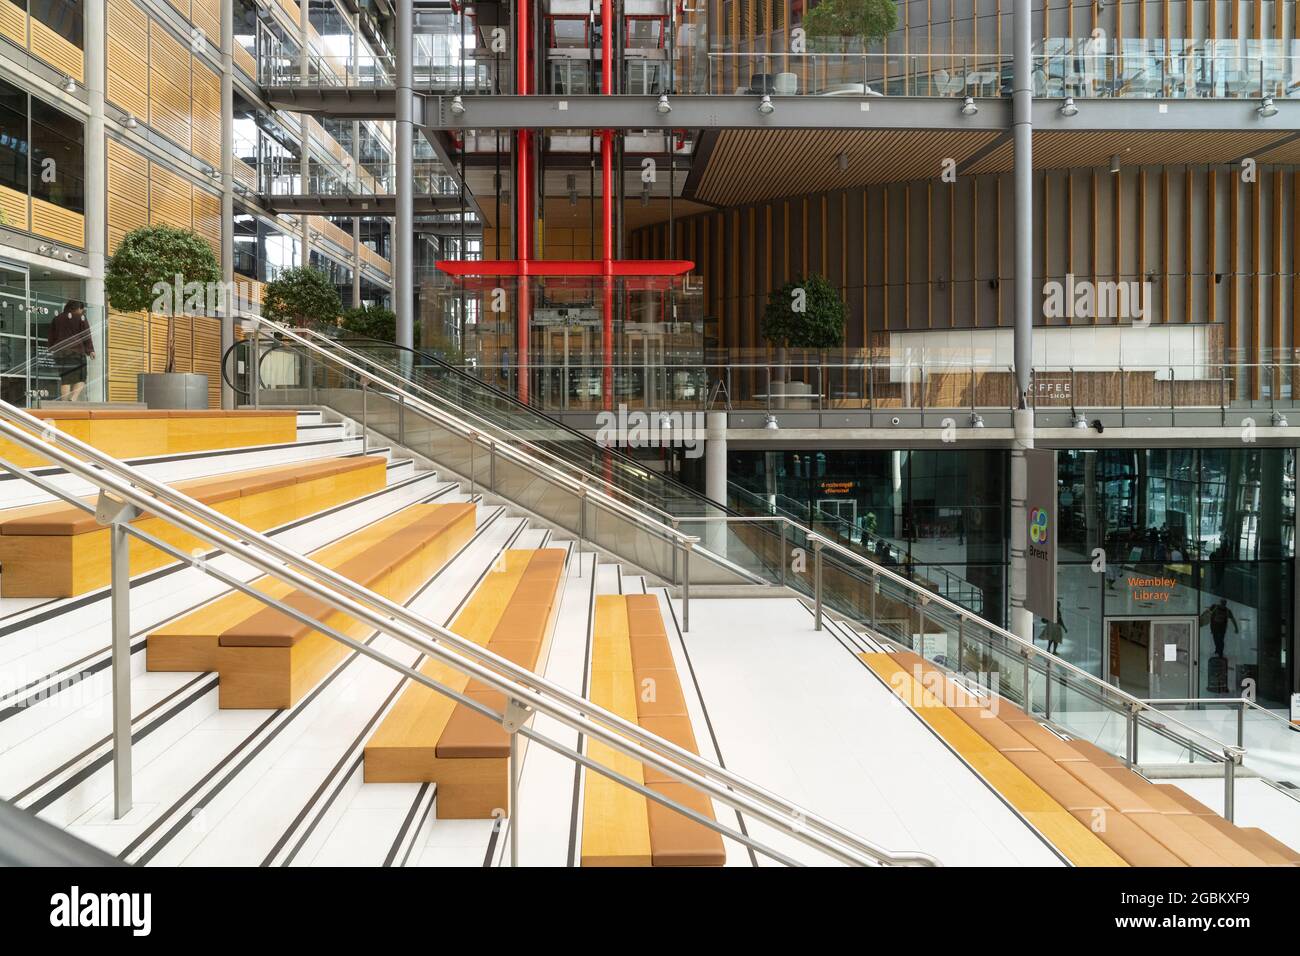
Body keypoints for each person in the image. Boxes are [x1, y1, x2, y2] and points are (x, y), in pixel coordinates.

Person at [46, 300, 95, 402]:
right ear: (78, 308)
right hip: (75, 352)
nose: (82, 312)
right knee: (81, 377)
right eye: (82, 309)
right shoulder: (80, 318)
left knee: (66, 379)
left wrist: (51, 350)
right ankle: (73, 399)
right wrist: (90, 350)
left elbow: (51, 336)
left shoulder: (57, 318)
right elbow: (86, 335)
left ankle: (64, 402)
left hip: (59, 353)